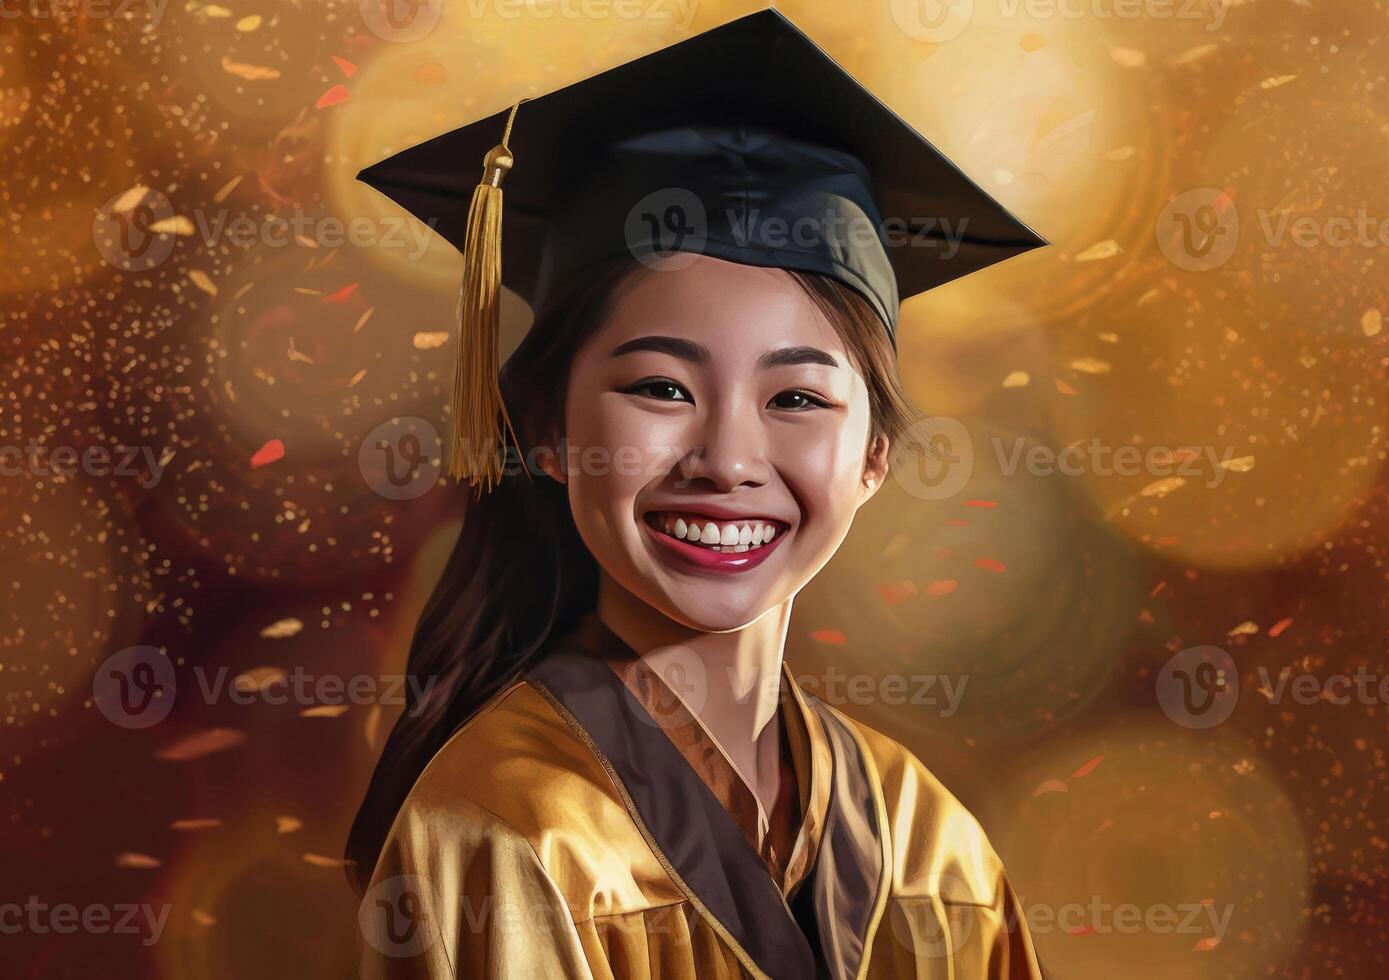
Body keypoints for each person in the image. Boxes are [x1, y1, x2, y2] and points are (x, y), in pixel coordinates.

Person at [346, 10, 1049, 978]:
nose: (727, 458)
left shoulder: (933, 842)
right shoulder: (504, 829)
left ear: (876, 454)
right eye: (661, 388)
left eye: (797, 396)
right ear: (546, 429)